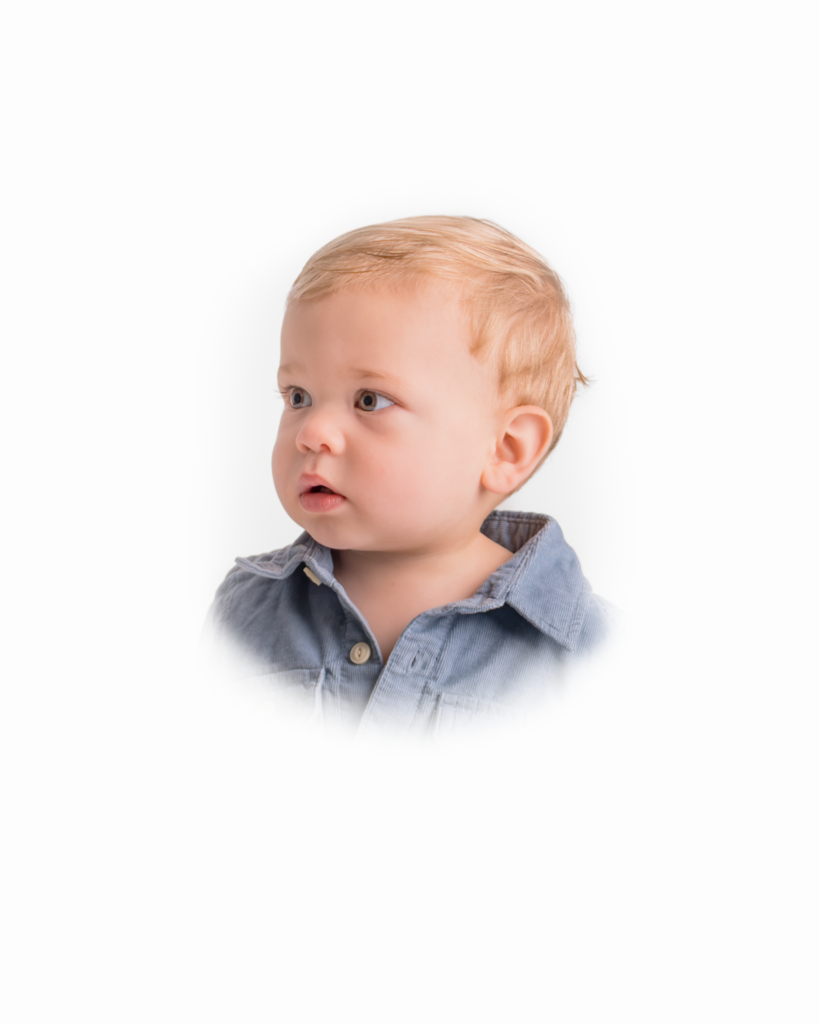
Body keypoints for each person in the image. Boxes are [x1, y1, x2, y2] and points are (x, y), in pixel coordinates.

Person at [203, 216, 617, 740]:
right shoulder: (244, 612)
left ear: (506, 449)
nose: (312, 433)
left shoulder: (591, 656)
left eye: (370, 400)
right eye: (298, 397)